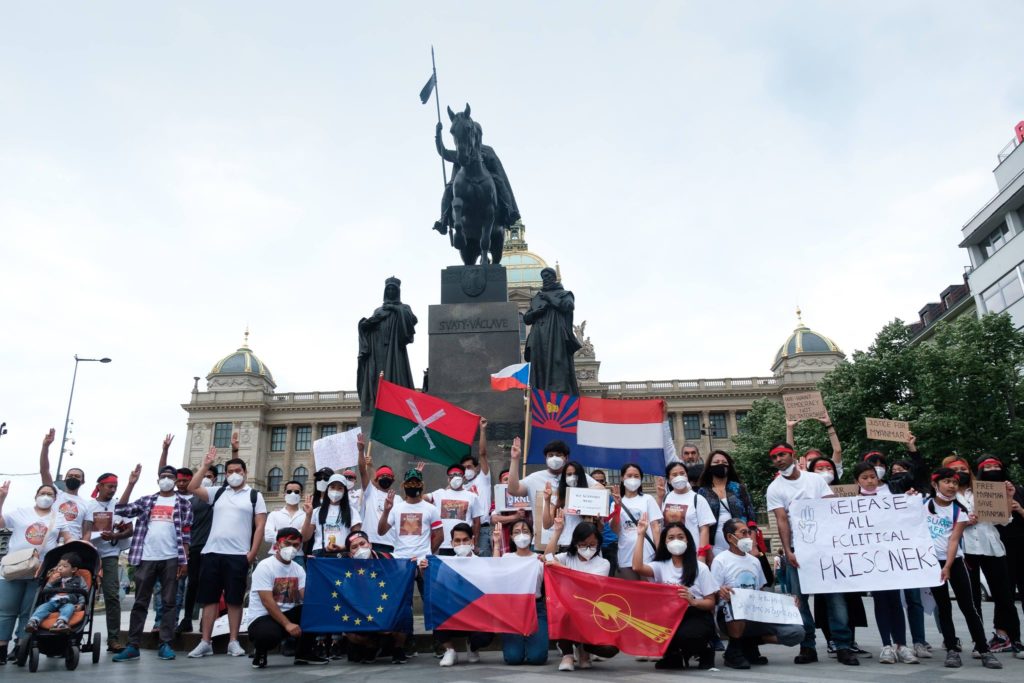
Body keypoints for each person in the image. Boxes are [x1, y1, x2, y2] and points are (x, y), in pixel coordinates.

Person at [765, 441, 857, 665]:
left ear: (792, 455)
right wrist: (788, 551)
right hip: (799, 549)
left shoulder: (815, 480)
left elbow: (830, 508)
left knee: (835, 598)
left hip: (824, 548)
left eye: (783, 455)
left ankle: (843, 645)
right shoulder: (774, 488)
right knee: (800, 600)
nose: (779, 460)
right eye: (775, 457)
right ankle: (808, 646)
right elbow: (781, 521)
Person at [187, 440, 268, 658]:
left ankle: (233, 640)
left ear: (245, 472)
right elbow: (192, 487)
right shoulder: (218, 492)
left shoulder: (254, 496)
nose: (234, 474)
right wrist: (205, 465)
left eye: (238, 470)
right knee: (209, 599)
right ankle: (205, 640)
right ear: (225, 474)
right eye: (230, 471)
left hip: (238, 555)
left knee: (234, 599)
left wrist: (251, 553)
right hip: (212, 552)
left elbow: (260, 525)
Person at [112, 464, 193, 662]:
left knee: (169, 602)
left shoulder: (184, 504)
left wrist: (185, 560)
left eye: (169, 477)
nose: (166, 479)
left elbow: (186, 534)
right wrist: (131, 484)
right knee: (140, 602)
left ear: (174, 480)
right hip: (146, 557)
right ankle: (133, 645)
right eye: (162, 476)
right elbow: (122, 509)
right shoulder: (147, 500)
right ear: (158, 480)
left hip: (172, 558)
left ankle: (165, 643)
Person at [925, 467, 1002, 669]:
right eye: (947, 481)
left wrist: (948, 566)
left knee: (969, 607)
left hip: (955, 562)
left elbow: (954, 540)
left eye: (954, 482)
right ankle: (951, 649)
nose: (951, 486)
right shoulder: (923, 505)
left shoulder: (959, 511)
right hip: (931, 564)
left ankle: (984, 650)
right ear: (935, 484)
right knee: (943, 608)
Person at [944, 456, 1021, 656]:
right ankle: (979, 642)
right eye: (955, 469)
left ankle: (1010, 638)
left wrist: (1007, 497)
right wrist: (964, 522)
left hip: (991, 546)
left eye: (963, 468)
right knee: (972, 598)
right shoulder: (945, 497)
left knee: (1004, 595)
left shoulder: (983, 491)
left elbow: (1004, 521)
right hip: (966, 549)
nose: (960, 472)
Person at [711, 518, 805, 668]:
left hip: (755, 615)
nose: (748, 536)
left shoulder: (754, 561)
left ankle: (749, 642)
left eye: (749, 532)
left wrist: (787, 605)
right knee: (735, 606)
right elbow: (713, 593)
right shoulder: (720, 560)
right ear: (730, 537)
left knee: (796, 632)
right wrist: (721, 592)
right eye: (743, 533)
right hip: (730, 617)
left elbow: (760, 593)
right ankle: (734, 651)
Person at [850, 463, 918, 664]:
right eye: (864, 477)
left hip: (892, 555)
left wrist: (911, 500)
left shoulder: (890, 494)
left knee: (896, 600)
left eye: (872, 476)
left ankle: (902, 645)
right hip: (871, 559)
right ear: (857, 481)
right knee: (881, 601)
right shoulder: (851, 502)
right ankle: (886, 645)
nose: (870, 480)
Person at [0, 480, 73, 663]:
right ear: (36, 496)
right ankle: (1, 648)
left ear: (55, 499)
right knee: (5, 612)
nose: (46, 497)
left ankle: (20, 648)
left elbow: (68, 538)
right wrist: (1, 498)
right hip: (13, 570)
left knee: (29, 613)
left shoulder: (59, 518)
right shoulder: (20, 513)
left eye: (50, 494)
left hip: (39, 572)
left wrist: (82, 546)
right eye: (43, 493)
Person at [632, 516, 718, 670]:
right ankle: (673, 654)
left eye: (680, 537)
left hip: (695, 613)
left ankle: (705, 649)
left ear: (687, 541)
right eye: (670, 538)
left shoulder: (700, 568)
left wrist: (693, 601)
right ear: (665, 543)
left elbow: (711, 602)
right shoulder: (660, 566)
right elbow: (637, 567)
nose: (676, 541)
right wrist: (640, 535)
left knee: (688, 636)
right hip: (668, 615)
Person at [248, 527, 328, 668]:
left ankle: (304, 654)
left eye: (296, 545)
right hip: (264, 616)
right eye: (287, 543)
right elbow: (267, 602)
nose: (292, 548)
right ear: (278, 545)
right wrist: (287, 624)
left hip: (289, 613)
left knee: (314, 610)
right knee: (268, 636)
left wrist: (317, 572)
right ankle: (260, 652)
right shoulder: (265, 566)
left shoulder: (298, 568)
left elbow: (306, 596)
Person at [544, 519, 617, 671]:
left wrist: (561, 568)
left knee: (610, 649)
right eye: (583, 544)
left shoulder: (603, 563)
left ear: (598, 543)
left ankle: (583, 648)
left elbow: (587, 583)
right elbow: (548, 558)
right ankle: (567, 654)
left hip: (591, 613)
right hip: (567, 609)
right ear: (576, 542)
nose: (587, 548)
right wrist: (557, 531)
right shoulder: (567, 557)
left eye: (592, 544)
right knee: (563, 609)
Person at [506, 436, 599, 549]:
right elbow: (513, 489)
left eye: (558, 454)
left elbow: (600, 490)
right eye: (550, 455)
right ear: (545, 458)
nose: (554, 458)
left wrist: (581, 496)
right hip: (544, 544)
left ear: (566, 457)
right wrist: (515, 459)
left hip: (574, 544)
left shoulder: (577, 476)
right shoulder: (534, 478)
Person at [82, 471, 133, 652]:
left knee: (112, 595)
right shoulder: (89, 506)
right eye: (110, 486)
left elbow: (130, 530)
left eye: (115, 487)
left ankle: (113, 639)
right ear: (100, 486)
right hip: (90, 553)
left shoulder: (119, 506)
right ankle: (72, 632)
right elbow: (86, 531)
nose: (112, 490)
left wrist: (115, 535)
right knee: (81, 592)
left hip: (110, 552)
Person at [341, 530, 409, 665]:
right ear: (350, 553)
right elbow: (347, 597)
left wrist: (414, 567)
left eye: (362, 544)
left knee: (404, 609)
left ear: (370, 544)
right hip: (363, 610)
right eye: (354, 547)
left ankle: (398, 648)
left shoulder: (389, 559)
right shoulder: (344, 567)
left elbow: (404, 580)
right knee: (352, 641)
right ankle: (371, 645)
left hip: (387, 606)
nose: (360, 548)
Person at [432, 523, 493, 667]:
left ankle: (473, 646)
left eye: (465, 540)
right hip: (454, 612)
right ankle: (450, 650)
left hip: (477, 613)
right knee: (434, 608)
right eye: (457, 541)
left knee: (487, 633)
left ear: (472, 540)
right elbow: (439, 590)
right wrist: (424, 572)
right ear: (451, 543)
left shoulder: (483, 564)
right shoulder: (446, 564)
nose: (461, 544)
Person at [356, 276, 418, 414]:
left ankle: (396, 404)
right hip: (378, 349)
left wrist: (395, 309)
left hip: (395, 349)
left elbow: (412, 320)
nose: (390, 291)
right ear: (385, 292)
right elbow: (371, 325)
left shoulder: (404, 307)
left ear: (397, 291)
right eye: (388, 289)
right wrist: (365, 325)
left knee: (396, 376)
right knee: (377, 377)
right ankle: (378, 404)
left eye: (393, 289)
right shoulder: (379, 310)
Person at [493, 520, 548, 665]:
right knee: (513, 658)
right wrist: (497, 544)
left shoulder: (539, 559)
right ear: (511, 537)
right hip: (512, 610)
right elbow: (494, 571)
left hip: (536, 609)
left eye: (525, 531)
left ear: (532, 535)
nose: (521, 535)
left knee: (537, 658)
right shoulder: (506, 558)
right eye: (517, 532)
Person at [985, 458, 1024, 659]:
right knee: (1003, 595)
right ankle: (1006, 636)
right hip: (997, 550)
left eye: (996, 467)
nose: (993, 470)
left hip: (1021, 546)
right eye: (988, 468)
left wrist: (1018, 508)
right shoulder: (979, 493)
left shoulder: (1017, 489)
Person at [523, 267, 582, 394]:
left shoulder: (565, 294)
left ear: (554, 278)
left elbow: (568, 306)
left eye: (548, 276)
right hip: (538, 336)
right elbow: (526, 319)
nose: (546, 279)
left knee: (558, 363)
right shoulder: (538, 297)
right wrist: (536, 313)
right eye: (543, 277)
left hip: (556, 335)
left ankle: (559, 396)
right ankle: (540, 395)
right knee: (539, 368)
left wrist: (550, 299)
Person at [695, 450, 756, 561]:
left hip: (741, 541)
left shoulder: (738, 488)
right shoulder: (703, 491)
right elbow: (701, 523)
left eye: (724, 462)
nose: (721, 464)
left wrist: (754, 544)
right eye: (716, 462)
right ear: (709, 466)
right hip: (715, 544)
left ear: (729, 466)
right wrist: (706, 550)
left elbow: (751, 517)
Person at [173, 464, 212, 635]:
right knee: (192, 584)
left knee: (211, 585)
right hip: (195, 546)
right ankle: (187, 618)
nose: (206, 479)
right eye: (203, 475)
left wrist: (234, 450)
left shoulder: (218, 498)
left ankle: (208, 620)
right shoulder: (190, 501)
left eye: (209, 476)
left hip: (213, 548)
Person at [377, 469, 443, 561]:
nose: (413, 486)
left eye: (416, 483)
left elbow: (440, 536)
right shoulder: (396, 508)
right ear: (403, 485)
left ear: (422, 485)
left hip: (422, 563)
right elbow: (381, 531)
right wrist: (386, 511)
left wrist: (426, 555)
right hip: (400, 559)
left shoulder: (431, 509)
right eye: (409, 483)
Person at [610, 463, 662, 579]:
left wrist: (660, 553)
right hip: (625, 556)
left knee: (649, 593)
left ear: (641, 479)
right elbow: (615, 529)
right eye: (629, 476)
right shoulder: (615, 503)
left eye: (636, 476)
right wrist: (617, 508)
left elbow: (655, 527)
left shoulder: (648, 499)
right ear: (622, 478)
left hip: (648, 556)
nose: (633, 479)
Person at [659, 460, 714, 565]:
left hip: (692, 554)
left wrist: (701, 555)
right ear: (669, 480)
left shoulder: (698, 499)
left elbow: (704, 530)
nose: (679, 477)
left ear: (687, 476)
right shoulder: (666, 497)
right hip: (670, 554)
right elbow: (660, 524)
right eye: (674, 475)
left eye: (682, 473)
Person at [38, 428, 88, 539]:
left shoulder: (86, 505)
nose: (73, 478)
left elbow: (86, 530)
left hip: (72, 544)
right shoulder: (56, 494)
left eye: (77, 476)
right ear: (65, 479)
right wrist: (45, 446)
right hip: (50, 539)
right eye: (70, 476)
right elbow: (44, 470)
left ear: (82, 481)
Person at [425, 465, 482, 556]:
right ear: (448, 479)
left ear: (463, 478)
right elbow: (421, 498)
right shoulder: (439, 493)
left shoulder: (472, 496)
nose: (455, 478)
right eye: (451, 476)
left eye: (458, 475)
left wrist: (474, 543)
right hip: (443, 545)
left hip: (464, 545)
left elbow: (477, 522)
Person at [24, 552, 87, 633]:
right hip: (52, 602)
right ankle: (34, 621)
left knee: (69, 607)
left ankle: (61, 622)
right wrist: (50, 582)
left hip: (68, 602)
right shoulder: (53, 578)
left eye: (64, 566)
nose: (60, 568)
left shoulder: (79, 579)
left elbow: (83, 592)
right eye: (59, 565)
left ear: (73, 569)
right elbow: (45, 592)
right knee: (42, 607)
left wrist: (81, 604)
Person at [301, 474, 362, 556]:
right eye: (332, 487)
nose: (335, 491)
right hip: (320, 553)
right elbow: (305, 538)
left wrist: (343, 547)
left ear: (344, 492)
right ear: (327, 490)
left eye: (340, 488)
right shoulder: (317, 511)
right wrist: (308, 515)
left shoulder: (352, 511)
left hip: (343, 554)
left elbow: (357, 537)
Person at [356, 433, 396, 553]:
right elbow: (363, 471)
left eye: (388, 476)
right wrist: (361, 451)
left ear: (392, 480)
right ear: (376, 479)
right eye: (382, 476)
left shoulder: (397, 499)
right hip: (370, 542)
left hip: (390, 544)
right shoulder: (370, 492)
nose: (385, 478)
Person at [541, 460, 591, 552]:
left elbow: (599, 527)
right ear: (564, 477)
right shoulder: (560, 499)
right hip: (566, 545)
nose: (572, 477)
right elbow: (547, 525)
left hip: (586, 545)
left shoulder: (590, 497)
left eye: (575, 474)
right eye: (569, 474)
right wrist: (547, 500)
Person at [462, 417, 493, 556]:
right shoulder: (460, 487)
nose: (466, 470)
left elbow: (482, 453)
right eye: (464, 468)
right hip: (465, 531)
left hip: (484, 530)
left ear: (477, 468)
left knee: (484, 566)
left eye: (469, 467)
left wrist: (482, 430)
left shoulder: (483, 478)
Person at [265, 480, 307, 562]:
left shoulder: (306, 516)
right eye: (289, 491)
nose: (293, 494)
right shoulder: (274, 514)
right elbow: (268, 536)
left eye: (296, 492)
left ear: (301, 494)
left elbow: (304, 536)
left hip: (297, 556)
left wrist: (280, 534)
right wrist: (295, 536)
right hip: (276, 554)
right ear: (284, 493)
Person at [589, 470, 619, 575]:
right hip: (590, 545)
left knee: (609, 578)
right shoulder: (584, 499)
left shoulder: (613, 500)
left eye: (602, 481)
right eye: (595, 481)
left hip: (610, 544)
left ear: (605, 484)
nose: (599, 484)